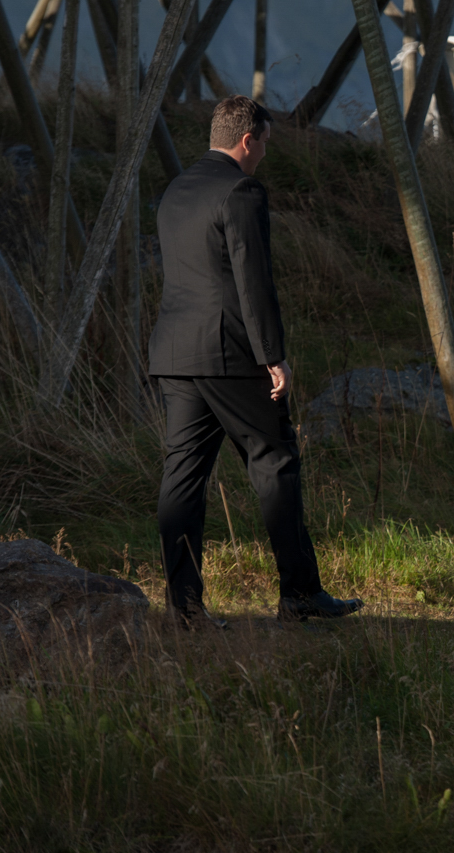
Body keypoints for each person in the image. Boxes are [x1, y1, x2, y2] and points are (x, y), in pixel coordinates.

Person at [149, 95, 362, 628]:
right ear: (248, 140)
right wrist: (273, 357)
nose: (264, 154)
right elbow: (253, 280)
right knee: (275, 462)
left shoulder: (176, 189)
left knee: (182, 477)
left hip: (174, 352)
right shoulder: (241, 190)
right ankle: (300, 594)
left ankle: (185, 608)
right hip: (229, 352)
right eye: (265, 144)